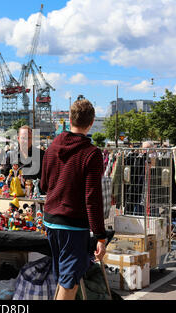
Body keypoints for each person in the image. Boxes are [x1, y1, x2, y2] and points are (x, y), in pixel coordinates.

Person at [40, 99, 106, 300]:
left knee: (64, 278)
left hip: (51, 220)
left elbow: (43, 185)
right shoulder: (92, 153)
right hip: (73, 225)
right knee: (69, 283)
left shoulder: (52, 147)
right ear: (92, 121)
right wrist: (101, 236)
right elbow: (92, 198)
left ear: (69, 119)